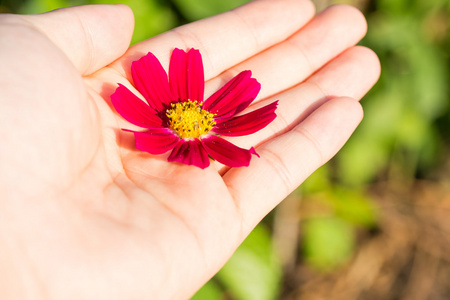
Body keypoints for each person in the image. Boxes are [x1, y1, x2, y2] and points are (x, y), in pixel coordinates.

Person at [0, 0, 380, 299]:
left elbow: (232, 137)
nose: (192, 118)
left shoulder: (209, 132)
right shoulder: (161, 126)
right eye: (191, 119)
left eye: (196, 118)